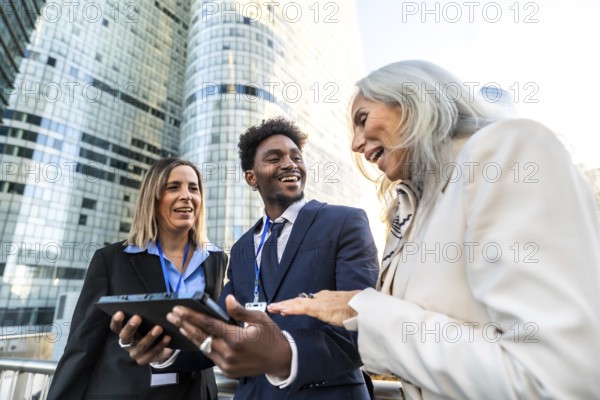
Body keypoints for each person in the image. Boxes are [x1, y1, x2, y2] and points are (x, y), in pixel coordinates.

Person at [267, 60, 600, 399]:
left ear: (413, 102)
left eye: (363, 119)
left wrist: (364, 311)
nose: (355, 143)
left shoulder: (503, 150)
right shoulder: (410, 212)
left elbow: (558, 380)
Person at [127, 117, 380, 399]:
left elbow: (362, 324)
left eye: (296, 157)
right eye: (275, 158)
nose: (290, 163)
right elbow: (221, 333)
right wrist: (166, 354)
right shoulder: (242, 249)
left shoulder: (345, 222)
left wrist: (284, 355)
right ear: (252, 177)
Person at [47, 157, 228, 400]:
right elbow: (83, 343)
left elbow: (217, 332)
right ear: (152, 198)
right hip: (127, 392)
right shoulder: (111, 259)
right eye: (173, 187)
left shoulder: (215, 259)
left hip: (195, 393)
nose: (187, 195)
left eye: (193, 188)